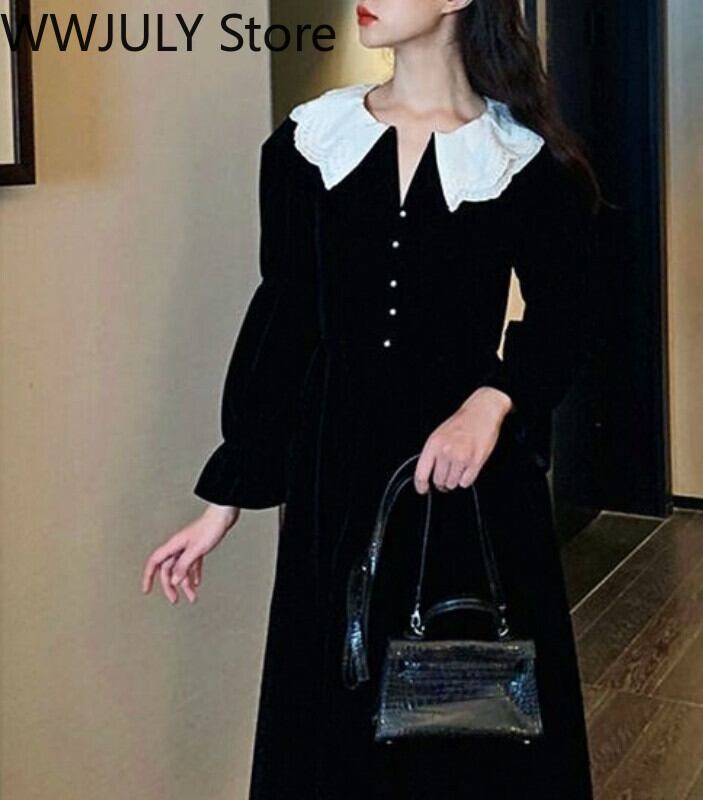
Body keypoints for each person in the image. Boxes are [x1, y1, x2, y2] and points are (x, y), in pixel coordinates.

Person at [142, 0, 607, 796]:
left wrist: (492, 401)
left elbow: (570, 312)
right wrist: (225, 498)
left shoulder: (522, 159)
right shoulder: (309, 143)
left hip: (463, 486)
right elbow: (287, 321)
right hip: (338, 488)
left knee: (460, 726)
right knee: (335, 728)